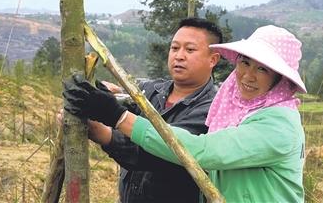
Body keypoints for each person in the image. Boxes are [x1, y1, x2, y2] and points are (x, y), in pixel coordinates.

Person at [63, 25, 307, 202]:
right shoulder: (236, 110)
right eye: (244, 63)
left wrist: (116, 118)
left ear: (279, 79)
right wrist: (112, 99)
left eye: (262, 69)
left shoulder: (277, 124)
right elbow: (144, 108)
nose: (247, 75)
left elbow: (202, 150)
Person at [64, 17, 223, 203]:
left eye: (190, 49)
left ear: (213, 59)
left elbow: (157, 153)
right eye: (174, 48)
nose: (179, 56)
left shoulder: (213, 111)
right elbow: (124, 106)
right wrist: (96, 94)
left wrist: (102, 131)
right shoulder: (150, 91)